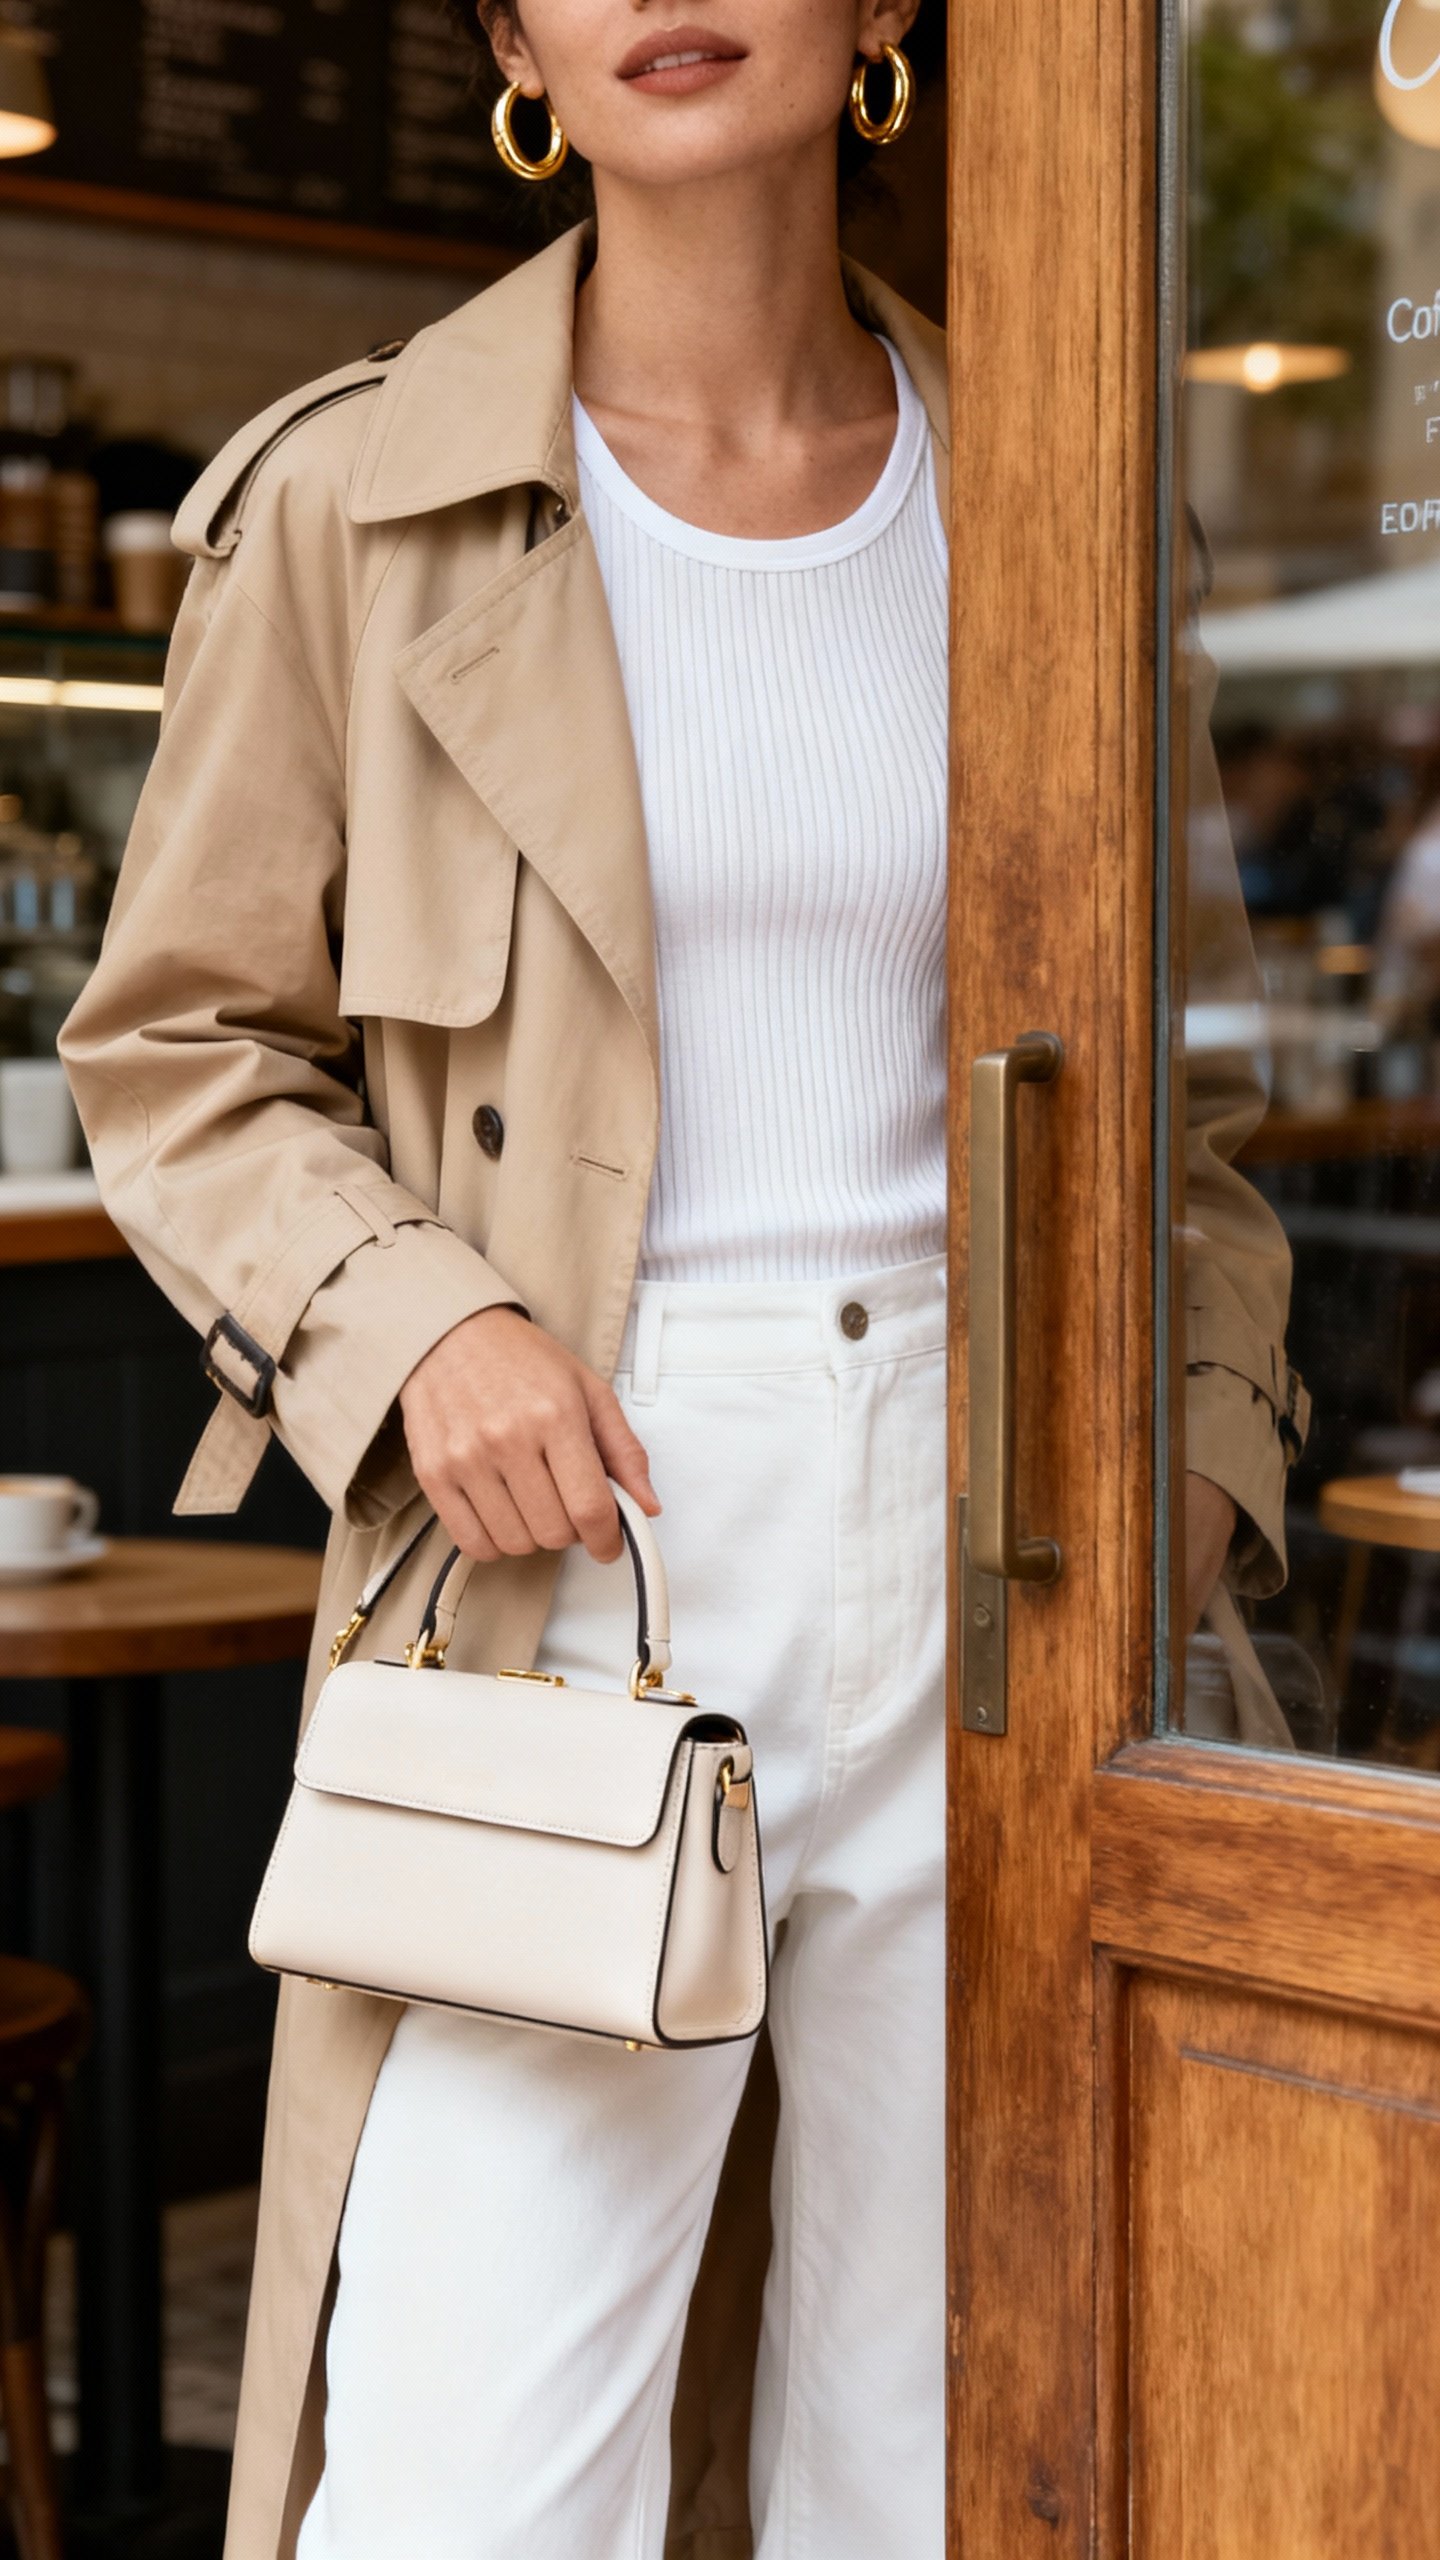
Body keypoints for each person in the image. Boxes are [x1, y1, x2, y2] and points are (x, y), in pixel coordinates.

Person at [59, 4, 1303, 2552]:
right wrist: (420, 1322)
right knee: (471, 2468)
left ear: (883, 19)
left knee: (948, 2440)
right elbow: (178, 1044)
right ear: (516, 32)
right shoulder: (355, 495)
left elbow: (1187, 1116)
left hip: (1013, 1538)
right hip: (571, 1548)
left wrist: (1180, 1468)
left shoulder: (1050, 482)